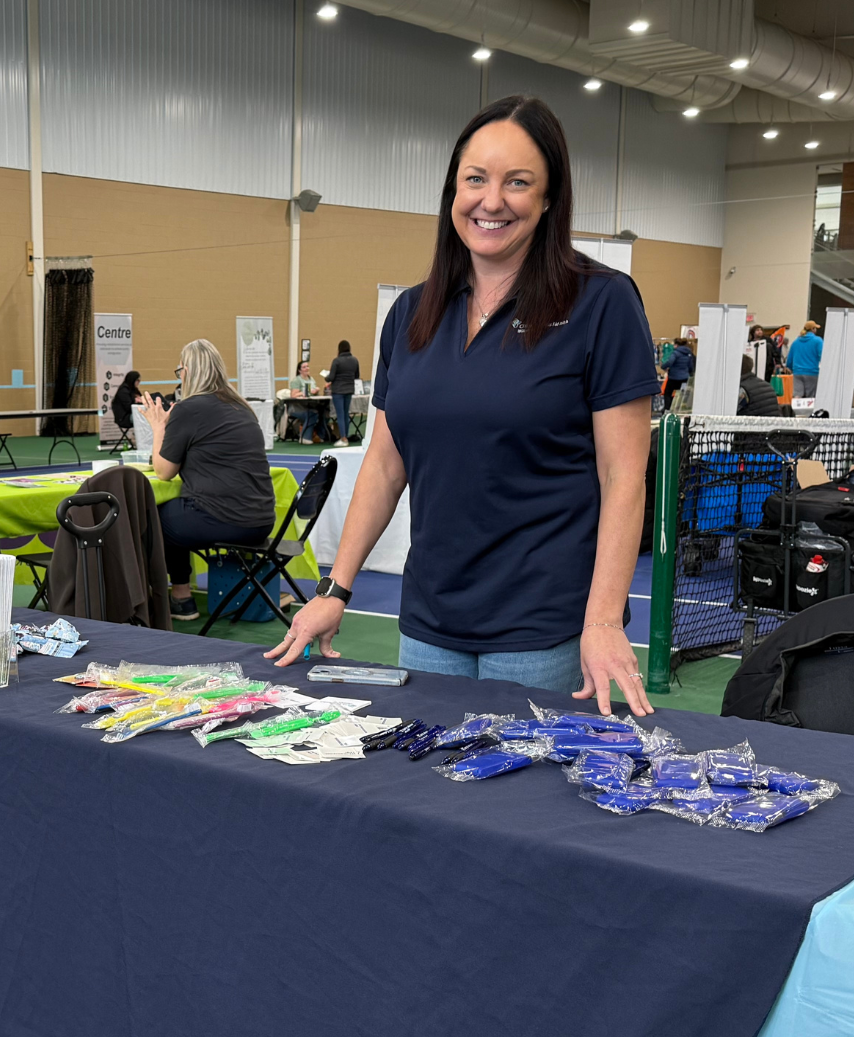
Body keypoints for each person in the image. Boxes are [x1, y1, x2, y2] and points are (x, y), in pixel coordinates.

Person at [267, 94, 657, 716]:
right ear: (453, 191)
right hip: (427, 628)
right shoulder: (412, 313)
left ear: (550, 197)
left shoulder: (602, 303)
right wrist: (334, 589)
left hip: (542, 633)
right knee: (427, 794)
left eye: (518, 182)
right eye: (475, 179)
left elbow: (623, 476)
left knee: (519, 806)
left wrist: (605, 621)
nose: (492, 200)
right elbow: (386, 464)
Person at [139, 339, 276, 622]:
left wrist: (158, 426)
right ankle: (180, 595)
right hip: (261, 521)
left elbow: (164, 471)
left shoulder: (190, 408)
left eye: (179, 371)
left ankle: (175, 597)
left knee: (151, 516)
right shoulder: (241, 407)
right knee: (176, 511)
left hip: (225, 518)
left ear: (187, 372)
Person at [327, 341, 360, 446]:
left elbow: (331, 377)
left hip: (338, 391)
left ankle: (343, 438)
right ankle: (346, 436)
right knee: (346, 414)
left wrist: (325, 377)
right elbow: (357, 376)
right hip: (349, 389)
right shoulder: (354, 360)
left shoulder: (337, 361)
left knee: (340, 415)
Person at [288, 361, 326, 444]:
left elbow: (313, 393)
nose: (306, 368)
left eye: (307, 366)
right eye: (304, 367)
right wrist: (304, 392)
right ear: (299, 370)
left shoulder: (311, 379)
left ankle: (320, 436)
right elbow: (293, 395)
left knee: (324, 413)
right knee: (312, 414)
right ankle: (305, 437)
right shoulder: (296, 380)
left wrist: (316, 390)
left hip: (311, 405)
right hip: (297, 408)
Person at [787, 320, 823, 400]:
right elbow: (822, 356)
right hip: (812, 373)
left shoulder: (796, 342)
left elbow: (789, 359)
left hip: (797, 372)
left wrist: (791, 368)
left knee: (797, 396)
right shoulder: (818, 341)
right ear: (813, 329)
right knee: (810, 398)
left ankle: (796, 411)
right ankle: (808, 412)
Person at [662, 337, 695, 407]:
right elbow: (691, 366)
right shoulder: (689, 354)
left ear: (676, 345)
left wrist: (663, 367)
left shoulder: (675, 353)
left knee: (668, 393)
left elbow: (670, 362)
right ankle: (680, 409)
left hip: (674, 378)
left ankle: (668, 410)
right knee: (682, 394)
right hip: (684, 379)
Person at [111, 369, 141, 441]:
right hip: (124, 417)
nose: (139, 383)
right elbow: (128, 407)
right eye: (138, 381)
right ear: (133, 380)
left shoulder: (134, 390)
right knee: (144, 419)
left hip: (132, 414)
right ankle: (138, 438)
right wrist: (136, 401)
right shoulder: (123, 391)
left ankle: (139, 438)